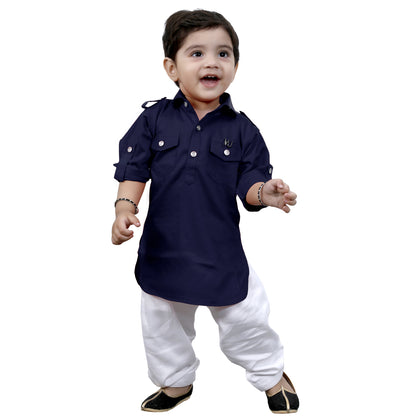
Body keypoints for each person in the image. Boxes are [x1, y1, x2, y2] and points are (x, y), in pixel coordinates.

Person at [112, 9, 299, 414]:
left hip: (220, 253)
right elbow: (133, 168)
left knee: (246, 320)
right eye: (196, 53)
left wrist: (266, 193)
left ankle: (271, 375)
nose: (211, 62)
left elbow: (250, 184)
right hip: (163, 252)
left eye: (223, 53)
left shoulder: (243, 129)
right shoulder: (153, 119)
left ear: (235, 66)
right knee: (161, 325)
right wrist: (124, 209)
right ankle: (176, 381)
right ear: (171, 68)